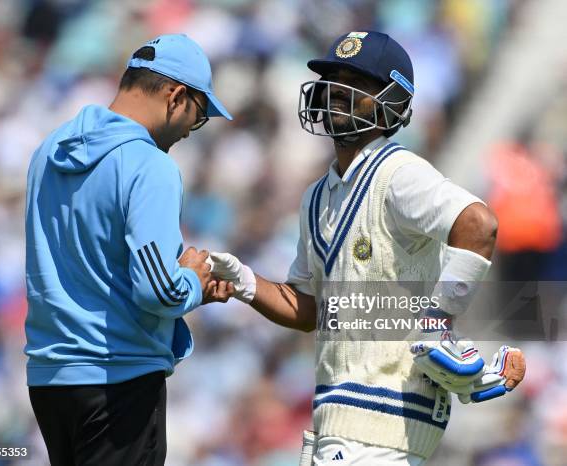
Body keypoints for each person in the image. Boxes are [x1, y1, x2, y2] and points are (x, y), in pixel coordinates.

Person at [208, 31, 525, 465]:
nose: (337, 90)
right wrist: (243, 282)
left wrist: (439, 319)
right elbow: (307, 309)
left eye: (356, 81)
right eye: (333, 78)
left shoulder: (400, 172)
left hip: (383, 423)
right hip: (338, 424)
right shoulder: (317, 196)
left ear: (390, 100)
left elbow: (478, 224)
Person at [24, 34, 233, 466]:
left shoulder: (49, 150)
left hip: (49, 379)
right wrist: (191, 280)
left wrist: (190, 288)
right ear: (176, 96)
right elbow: (159, 293)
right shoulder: (150, 164)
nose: (191, 132)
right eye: (198, 116)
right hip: (118, 382)